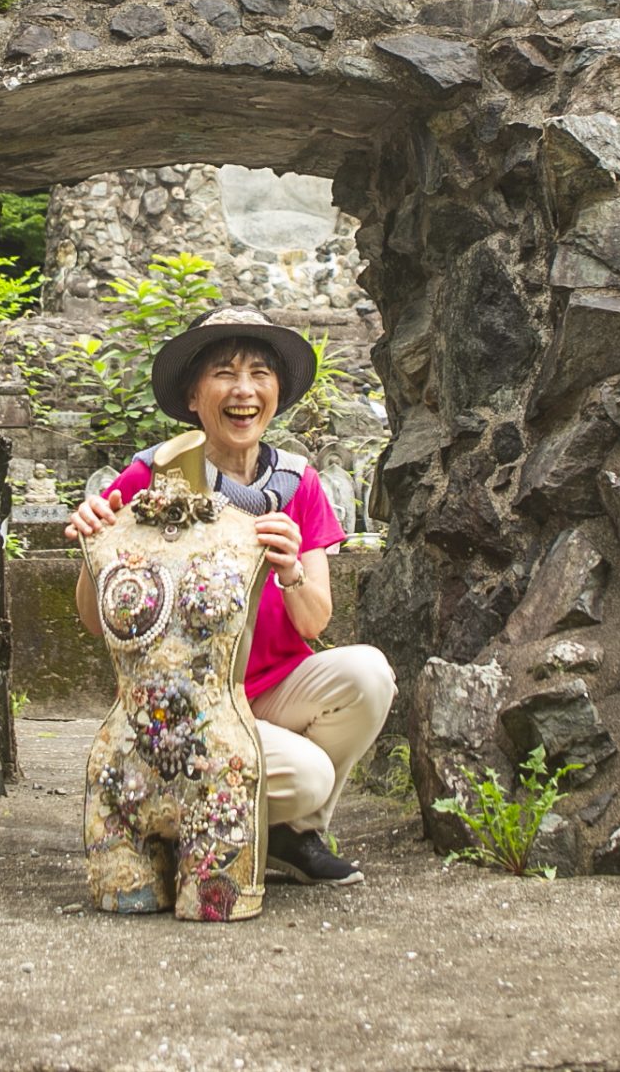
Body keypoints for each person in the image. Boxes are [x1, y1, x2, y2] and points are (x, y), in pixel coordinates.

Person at [68, 306, 396, 887]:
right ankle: (193, 825)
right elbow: (95, 622)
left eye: (259, 373)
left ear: (277, 393)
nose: (244, 389)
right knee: (309, 775)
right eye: (224, 372)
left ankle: (292, 835)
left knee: (369, 675)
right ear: (194, 396)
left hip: (273, 690)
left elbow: (315, 620)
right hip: (188, 704)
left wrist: (290, 568)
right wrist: (98, 548)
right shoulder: (150, 478)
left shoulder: (298, 483)